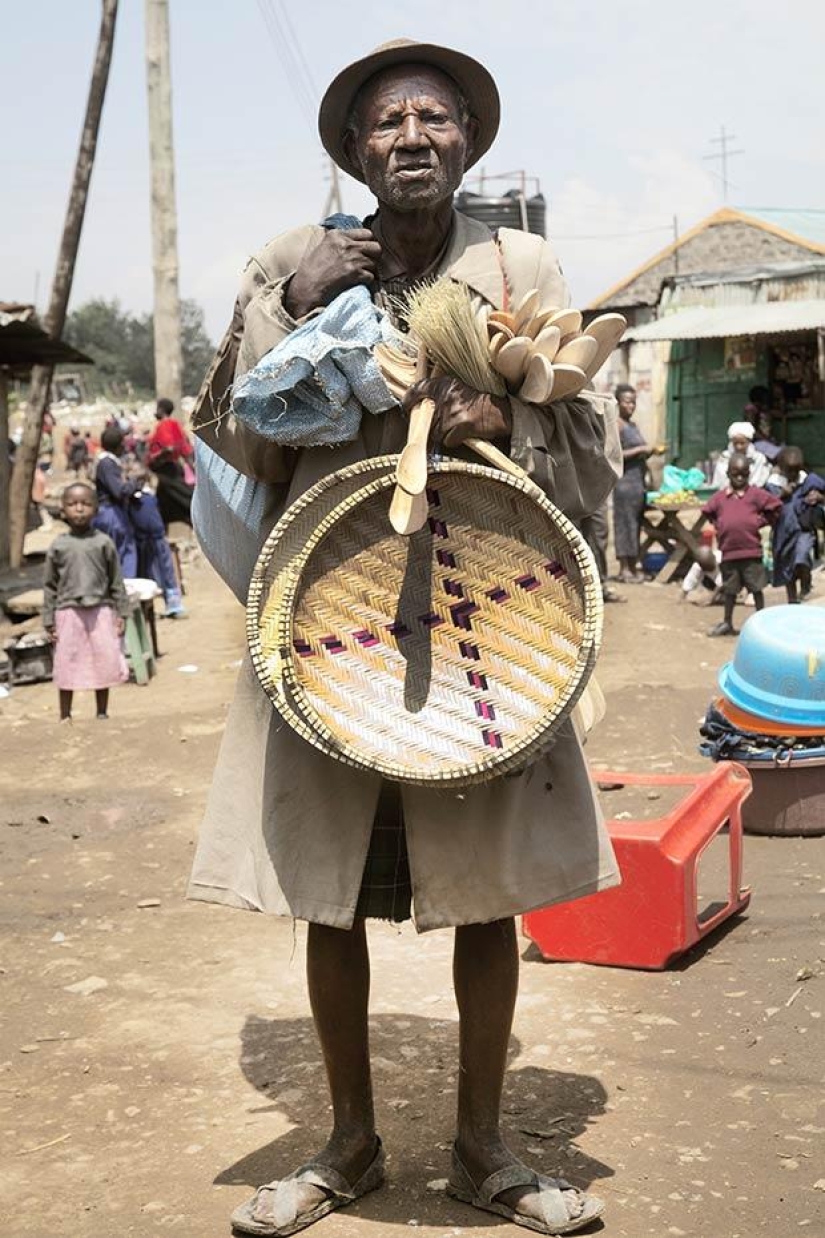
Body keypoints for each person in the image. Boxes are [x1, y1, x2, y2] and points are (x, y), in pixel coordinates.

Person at [189, 39, 621, 1238]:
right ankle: (350, 1141)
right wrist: (296, 300)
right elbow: (232, 432)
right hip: (331, 626)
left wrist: (505, 419)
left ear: (467, 142)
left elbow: (592, 456)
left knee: (488, 892)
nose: (414, 136)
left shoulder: (519, 266)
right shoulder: (294, 260)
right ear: (354, 151)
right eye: (388, 123)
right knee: (330, 892)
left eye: (436, 117)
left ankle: (485, 1148)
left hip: (495, 624)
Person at [42, 483, 129, 722]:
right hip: (68, 612)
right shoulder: (59, 546)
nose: (78, 509)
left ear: (96, 508)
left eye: (85, 504)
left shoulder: (103, 543)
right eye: (72, 504)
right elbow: (50, 586)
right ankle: (65, 715)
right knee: (67, 661)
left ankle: (101, 712)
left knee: (102, 659)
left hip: (100, 610)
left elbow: (116, 581)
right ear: (63, 509)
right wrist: (48, 619)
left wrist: (122, 612)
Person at [701, 453, 781, 636]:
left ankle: (762, 624)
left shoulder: (755, 494)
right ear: (728, 473)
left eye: (744, 474)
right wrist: (720, 524)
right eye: (735, 473)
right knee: (730, 590)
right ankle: (727, 622)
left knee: (756, 589)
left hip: (751, 552)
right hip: (729, 552)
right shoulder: (721, 497)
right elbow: (707, 511)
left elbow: (775, 506)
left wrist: (759, 522)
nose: (739, 477)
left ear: (749, 474)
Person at [769, 446, 825, 603]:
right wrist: (782, 495)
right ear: (781, 469)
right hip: (783, 533)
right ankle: (792, 600)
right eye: (789, 471)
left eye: (796, 471)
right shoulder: (774, 484)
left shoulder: (809, 481)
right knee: (788, 568)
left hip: (803, 530)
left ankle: (806, 584)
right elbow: (767, 506)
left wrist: (819, 497)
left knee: (801, 558)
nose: (793, 475)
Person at [612, 383, 654, 582]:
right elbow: (614, 455)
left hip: (638, 483)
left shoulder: (633, 426)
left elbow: (641, 449)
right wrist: (640, 450)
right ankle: (624, 569)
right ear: (618, 403)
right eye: (627, 402)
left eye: (633, 402)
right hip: (624, 484)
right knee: (624, 525)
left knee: (635, 526)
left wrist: (649, 451)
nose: (631, 406)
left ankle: (634, 566)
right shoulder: (616, 425)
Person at [92, 425, 143, 576]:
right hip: (111, 514)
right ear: (119, 445)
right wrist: (135, 483)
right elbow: (119, 491)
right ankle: (126, 589)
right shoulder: (107, 463)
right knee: (125, 551)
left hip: (111, 512)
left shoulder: (109, 462)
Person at [148, 397, 194, 528]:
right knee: (163, 504)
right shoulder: (175, 424)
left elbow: (169, 448)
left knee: (185, 498)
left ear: (161, 409)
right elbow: (185, 448)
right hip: (171, 468)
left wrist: (155, 458)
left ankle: (203, 518)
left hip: (166, 469)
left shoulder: (165, 425)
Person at [711, 421, 771, 489]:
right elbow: (721, 479)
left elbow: (761, 478)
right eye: (735, 443)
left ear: (748, 441)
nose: (738, 446)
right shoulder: (725, 457)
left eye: (742, 443)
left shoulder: (759, 458)